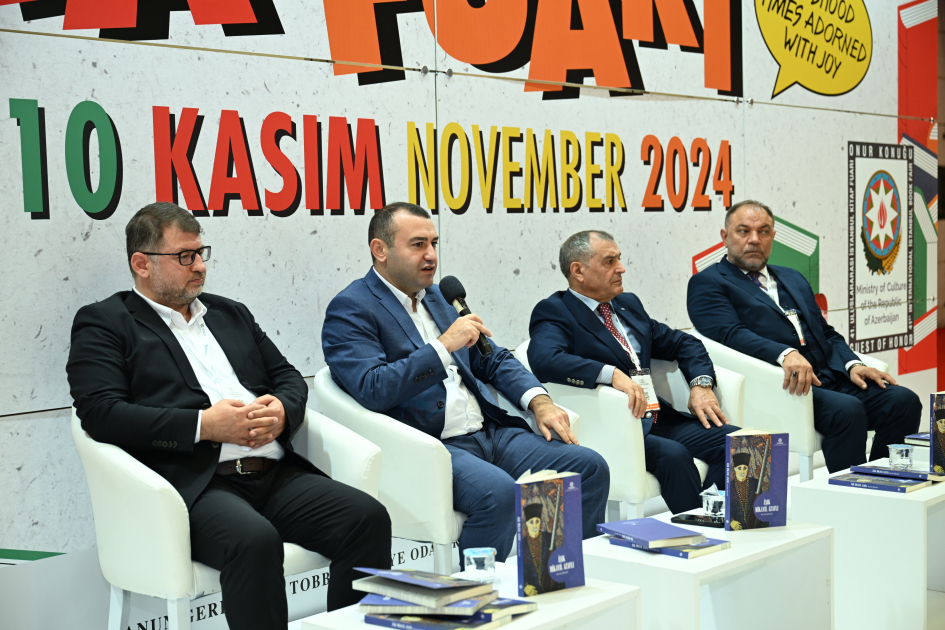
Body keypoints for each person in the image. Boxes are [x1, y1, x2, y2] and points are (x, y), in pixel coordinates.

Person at [67, 202, 391, 628]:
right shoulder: (106, 323)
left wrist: (281, 411)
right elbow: (100, 413)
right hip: (196, 485)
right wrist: (204, 426)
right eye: (185, 256)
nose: (200, 266)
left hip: (273, 474)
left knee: (367, 519)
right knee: (254, 541)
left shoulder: (229, 313)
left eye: (201, 253)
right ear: (142, 264)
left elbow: (289, 378)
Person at [321, 202, 609, 562]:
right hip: (430, 445)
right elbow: (373, 387)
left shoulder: (439, 297)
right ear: (380, 250)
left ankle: (555, 574)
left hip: (490, 433)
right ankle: (479, 592)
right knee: (498, 494)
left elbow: (492, 357)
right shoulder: (351, 308)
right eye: (417, 245)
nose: (431, 255)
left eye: (434, 243)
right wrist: (443, 346)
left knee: (588, 467)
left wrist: (540, 402)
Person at [687, 199, 921, 473]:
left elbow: (825, 333)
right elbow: (730, 335)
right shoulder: (708, 282)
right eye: (743, 231)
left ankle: (884, 478)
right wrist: (785, 354)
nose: (754, 239)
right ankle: (853, 492)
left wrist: (853, 364)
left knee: (903, 401)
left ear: (773, 237)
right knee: (847, 410)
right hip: (782, 385)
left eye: (764, 231)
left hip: (831, 376)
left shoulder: (792, 277)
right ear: (725, 237)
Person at [528, 230, 741, 514]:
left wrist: (701, 385)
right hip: (618, 426)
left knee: (740, 443)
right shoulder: (555, 311)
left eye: (619, 258)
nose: (621, 268)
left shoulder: (627, 305)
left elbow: (683, 343)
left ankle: (718, 517)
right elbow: (544, 359)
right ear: (578, 271)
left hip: (658, 418)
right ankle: (697, 529)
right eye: (609, 261)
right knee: (674, 455)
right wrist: (611, 374)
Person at [521, 500, 564, 596]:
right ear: (527, 524)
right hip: (532, 593)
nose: (534, 525)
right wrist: (525, 586)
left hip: (551, 590)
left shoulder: (548, 538)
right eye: (531, 522)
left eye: (537, 521)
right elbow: (520, 569)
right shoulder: (522, 544)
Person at [729, 452, 766, 530]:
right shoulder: (729, 485)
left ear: (747, 469)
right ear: (735, 469)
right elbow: (725, 506)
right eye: (739, 468)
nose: (742, 471)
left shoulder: (755, 483)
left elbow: (761, 504)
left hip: (755, 527)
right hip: (736, 528)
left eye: (744, 468)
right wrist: (731, 521)